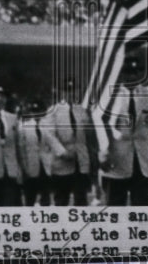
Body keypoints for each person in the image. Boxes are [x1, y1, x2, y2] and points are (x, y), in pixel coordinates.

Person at [99, 54, 148, 207]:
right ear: (120, 74)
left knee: (142, 208)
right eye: (127, 72)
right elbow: (101, 129)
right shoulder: (109, 96)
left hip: (143, 162)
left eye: (135, 72)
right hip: (116, 161)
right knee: (115, 208)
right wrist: (102, 156)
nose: (132, 76)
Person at [41, 78, 96, 206]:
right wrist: (63, 153)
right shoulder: (53, 111)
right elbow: (49, 135)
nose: (70, 94)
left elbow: (88, 135)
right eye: (67, 90)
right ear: (61, 92)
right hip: (62, 163)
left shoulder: (82, 111)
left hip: (81, 161)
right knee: (61, 199)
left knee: (81, 199)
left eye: (74, 90)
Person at [17, 99, 51, 206]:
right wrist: (24, 168)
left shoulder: (46, 126)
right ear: (30, 113)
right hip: (30, 167)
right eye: (34, 111)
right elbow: (21, 150)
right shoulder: (23, 127)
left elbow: (50, 144)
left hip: (45, 166)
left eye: (39, 111)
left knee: (46, 196)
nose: (36, 114)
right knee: (30, 197)